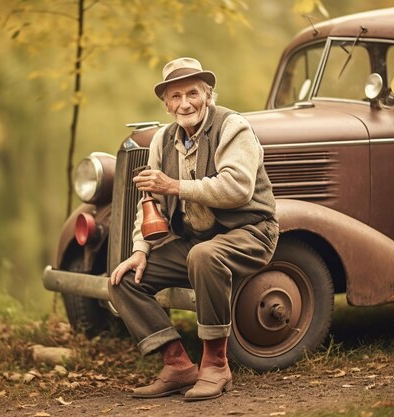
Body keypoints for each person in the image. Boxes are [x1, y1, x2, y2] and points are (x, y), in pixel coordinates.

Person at [108, 57, 278, 401]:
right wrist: (140, 251)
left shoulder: (233, 127)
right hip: (199, 241)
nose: (185, 103)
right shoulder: (162, 140)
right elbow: (149, 204)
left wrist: (175, 186)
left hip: (251, 231)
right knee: (124, 279)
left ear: (208, 94)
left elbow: (237, 188)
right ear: (166, 104)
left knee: (203, 255)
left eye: (193, 93)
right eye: (175, 97)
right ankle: (178, 365)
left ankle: (216, 364)